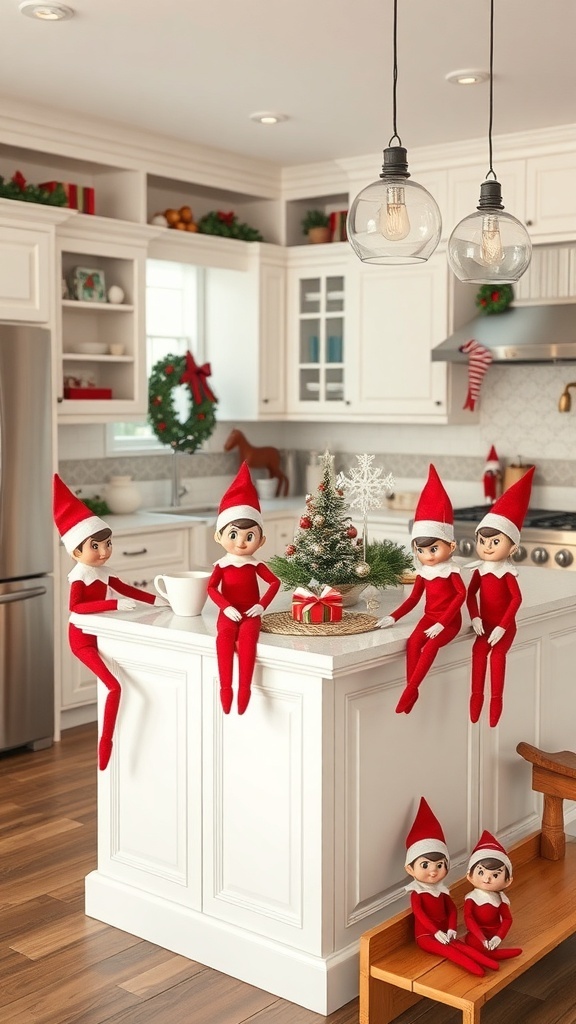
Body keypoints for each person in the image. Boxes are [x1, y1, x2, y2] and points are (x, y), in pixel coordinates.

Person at [53, 474, 163, 770]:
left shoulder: (104, 571)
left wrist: (158, 600)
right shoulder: (80, 576)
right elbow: (76, 606)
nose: (104, 552)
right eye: (96, 547)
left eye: (107, 544)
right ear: (76, 551)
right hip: (82, 637)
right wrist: (114, 604)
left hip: (103, 630)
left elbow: (128, 589)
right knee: (114, 687)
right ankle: (106, 746)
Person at [379, 465, 465, 714]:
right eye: (420, 550)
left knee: (431, 645)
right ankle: (411, 690)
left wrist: (442, 623)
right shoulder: (424, 572)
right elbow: (414, 598)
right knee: (413, 643)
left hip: (449, 622)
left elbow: (461, 595)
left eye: (433, 549)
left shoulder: (451, 571)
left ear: (451, 546)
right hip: (430, 617)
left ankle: (410, 690)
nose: (427, 556)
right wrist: (393, 616)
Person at [208, 462, 280, 715]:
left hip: (251, 613)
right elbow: (212, 589)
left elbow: (275, 582)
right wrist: (225, 607)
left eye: (249, 537)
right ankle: (225, 690)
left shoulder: (256, 564)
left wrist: (261, 606)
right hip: (228, 613)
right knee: (225, 640)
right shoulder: (222, 565)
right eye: (234, 535)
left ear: (261, 541)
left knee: (248, 641)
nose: (240, 542)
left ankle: (245, 691)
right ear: (219, 537)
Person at [466, 467, 534, 727]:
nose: (486, 547)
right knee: (477, 653)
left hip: (504, 628)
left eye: (495, 543)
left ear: (512, 547)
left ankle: (496, 703)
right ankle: (475, 700)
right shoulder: (481, 570)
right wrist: (475, 617)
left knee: (496, 656)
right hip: (485, 626)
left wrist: (503, 627)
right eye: (482, 542)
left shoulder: (507, 573)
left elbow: (516, 600)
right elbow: (471, 595)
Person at [404, 798, 499, 977]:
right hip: (426, 936)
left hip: (445, 932)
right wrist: (436, 932)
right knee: (451, 951)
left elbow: (452, 910)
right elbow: (420, 914)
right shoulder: (417, 893)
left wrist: (451, 928)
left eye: (439, 865)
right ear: (410, 868)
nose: (433, 872)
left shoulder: (442, 892)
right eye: (425, 865)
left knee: (459, 945)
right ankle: (479, 970)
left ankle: (491, 963)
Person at [464, 831, 522, 960]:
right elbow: (468, 918)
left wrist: (498, 937)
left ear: (508, 881)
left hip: (493, 933)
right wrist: (481, 937)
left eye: (495, 875)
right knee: (474, 943)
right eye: (481, 872)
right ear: (469, 875)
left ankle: (488, 954)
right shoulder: (472, 898)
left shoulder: (500, 900)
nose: (487, 879)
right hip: (476, 934)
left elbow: (507, 919)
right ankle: (491, 956)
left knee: (484, 948)